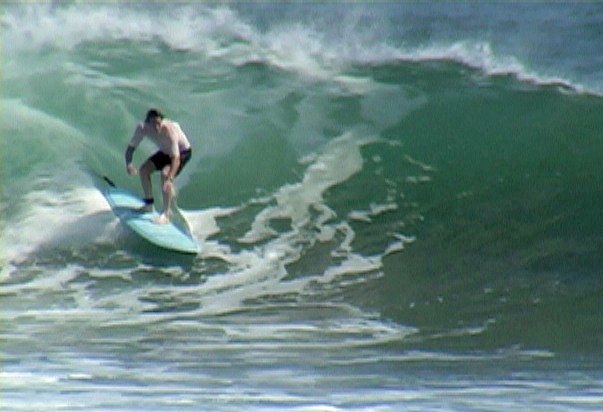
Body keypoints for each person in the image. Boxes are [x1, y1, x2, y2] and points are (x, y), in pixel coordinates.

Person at [125, 109, 192, 224]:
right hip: (166, 151)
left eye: (159, 123)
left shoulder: (169, 130)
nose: (157, 127)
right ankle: (149, 205)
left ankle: (166, 214)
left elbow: (175, 159)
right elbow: (130, 149)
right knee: (144, 170)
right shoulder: (142, 128)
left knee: (165, 174)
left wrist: (170, 179)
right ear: (147, 123)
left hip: (182, 152)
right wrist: (129, 164)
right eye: (153, 124)